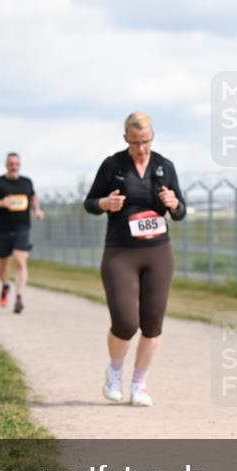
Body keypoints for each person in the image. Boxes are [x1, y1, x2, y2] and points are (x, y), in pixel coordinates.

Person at [84, 112, 186, 407]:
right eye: (135, 142)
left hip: (158, 252)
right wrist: (105, 203)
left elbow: (180, 212)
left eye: (146, 142)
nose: (141, 148)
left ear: (152, 137)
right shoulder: (113, 165)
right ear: (126, 138)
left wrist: (174, 203)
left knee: (152, 324)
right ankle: (114, 372)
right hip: (121, 252)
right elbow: (90, 202)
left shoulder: (165, 167)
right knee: (126, 322)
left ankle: (139, 385)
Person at [0, 153, 44, 314]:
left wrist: (37, 209)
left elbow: (33, 197)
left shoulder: (26, 182)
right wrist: (1, 203)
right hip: (3, 229)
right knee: (3, 264)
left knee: (20, 260)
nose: (14, 166)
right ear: (6, 165)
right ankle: (5, 286)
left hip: (22, 227)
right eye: (11, 164)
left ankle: (19, 297)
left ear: (19, 165)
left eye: (16, 164)